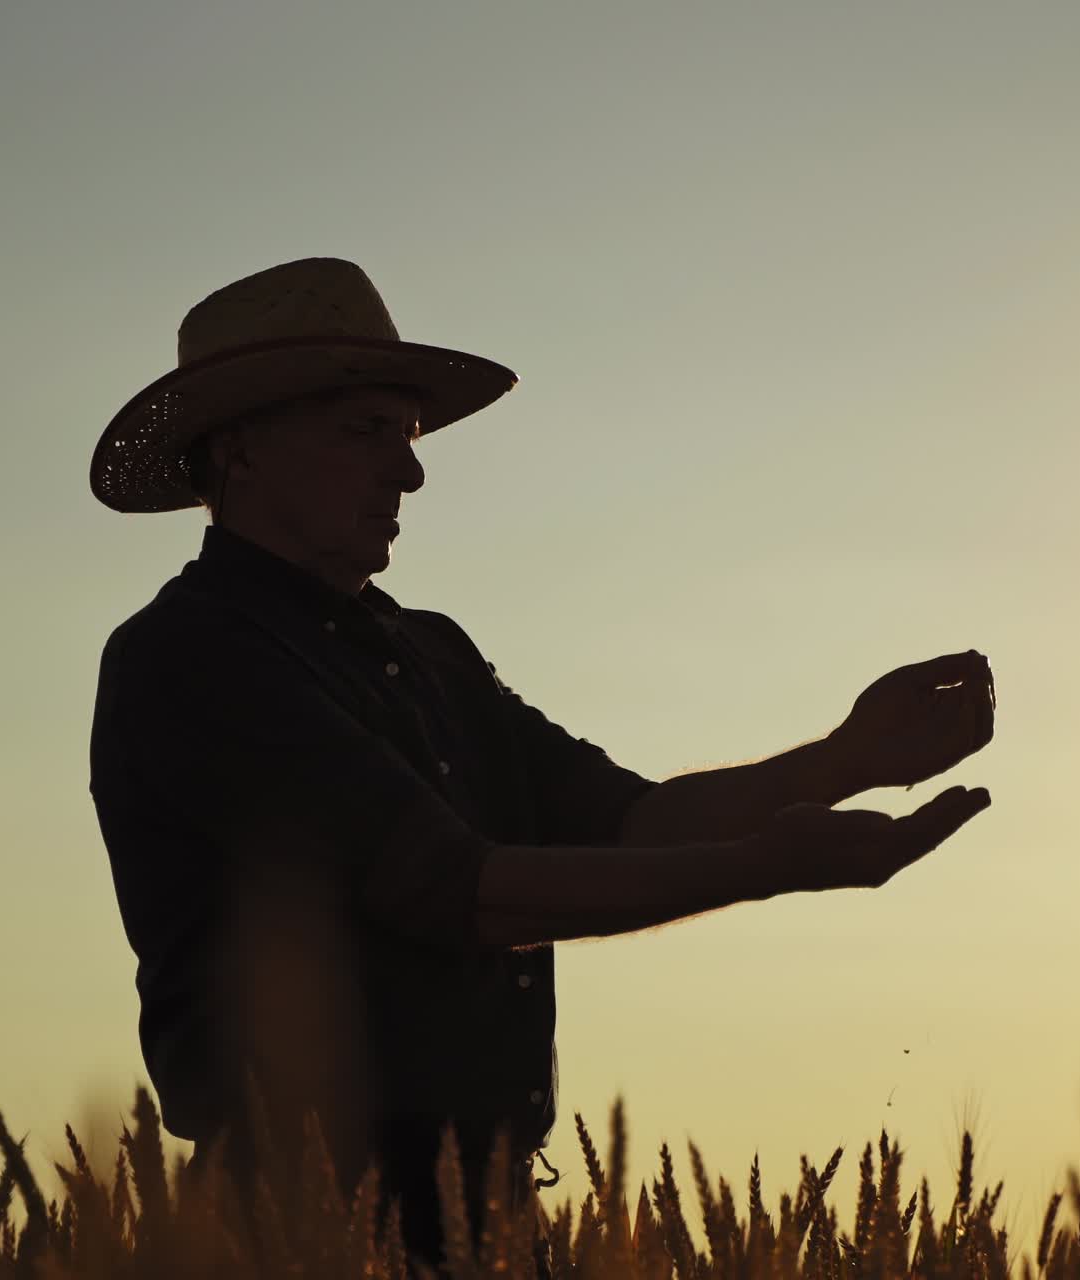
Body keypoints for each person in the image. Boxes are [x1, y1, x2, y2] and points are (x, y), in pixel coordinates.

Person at [87, 256, 995, 1276]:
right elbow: (468, 893)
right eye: (365, 430)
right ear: (239, 448)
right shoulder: (193, 656)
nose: (410, 471)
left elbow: (630, 823)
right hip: (296, 1232)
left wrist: (843, 758)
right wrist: (768, 865)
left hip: (491, 1220)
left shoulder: (430, 653)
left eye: (410, 432)